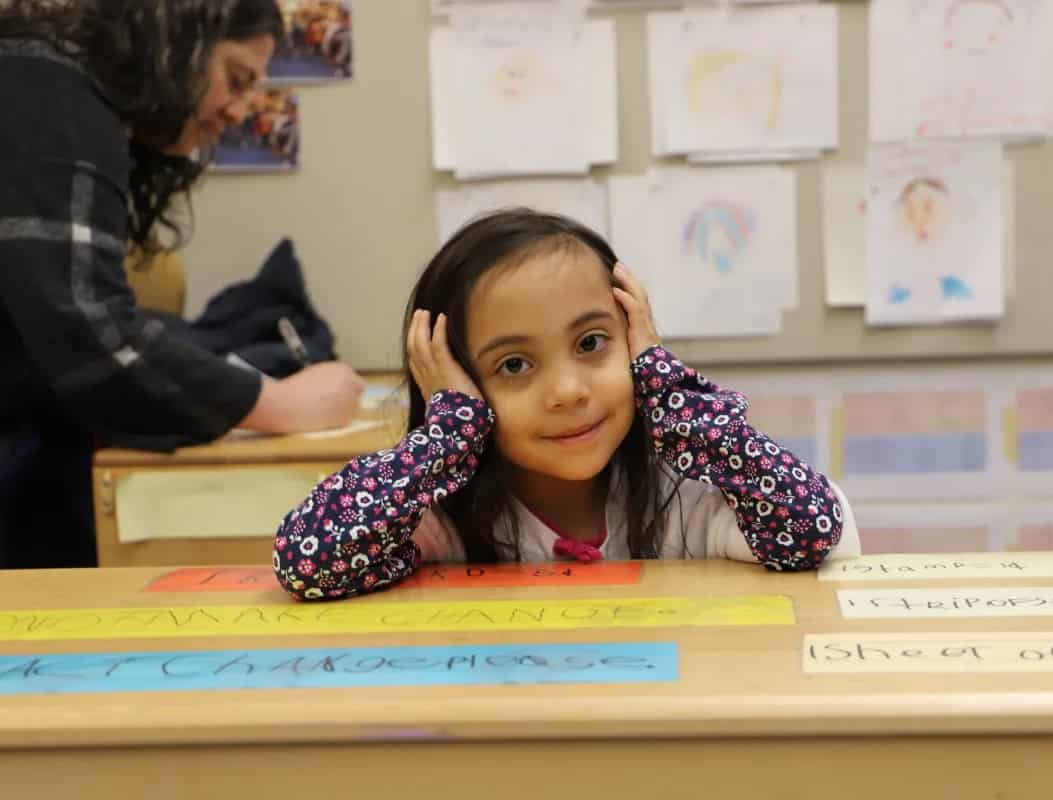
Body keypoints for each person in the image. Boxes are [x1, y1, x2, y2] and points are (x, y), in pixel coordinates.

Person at [273, 209, 859, 601]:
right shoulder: (442, 518)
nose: (569, 391)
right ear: (458, 388)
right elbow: (311, 562)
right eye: (514, 365)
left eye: (591, 344)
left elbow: (813, 530)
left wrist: (674, 397)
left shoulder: (686, 496)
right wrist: (446, 437)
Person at [0, 0, 365, 569]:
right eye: (237, 80)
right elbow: (87, 330)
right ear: (181, 44)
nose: (243, 110)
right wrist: (280, 403)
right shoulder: (47, 89)